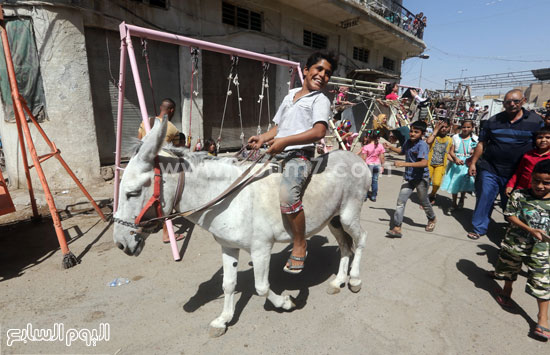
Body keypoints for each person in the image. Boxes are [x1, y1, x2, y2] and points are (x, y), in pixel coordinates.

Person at [248, 51, 336, 274]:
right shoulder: (290, 96)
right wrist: (262, 138)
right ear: (306, 71)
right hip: (278, 152)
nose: (322, 75)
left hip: (299, 156)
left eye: (327, 73)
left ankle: (299, 244)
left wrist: (285, 142)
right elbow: (279, 127)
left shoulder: (320, 100)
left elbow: (319, 131)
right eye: (318, 69)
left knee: (288, 196)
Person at [467, 89, 544, 240]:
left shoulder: (535, 121)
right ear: (504, 104)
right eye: (508, 102)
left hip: (517, 172)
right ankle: (479, 227)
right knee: (484, 197)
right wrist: (474, 163)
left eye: (516, 101)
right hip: (491, 168)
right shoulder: (493, 121)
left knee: (511, 202)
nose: (512, 104)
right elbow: (482, 143)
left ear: (523, 101)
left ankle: (513, 229)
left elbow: (542, 143)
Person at [489, 159, 550, 341]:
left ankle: (543, 318)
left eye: (546, 182)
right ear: (531, 178)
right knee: (509, 270)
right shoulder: (520, 195)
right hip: (515, 243)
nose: (540, 186)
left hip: (542, 250)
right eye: (536, 180)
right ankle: (507, 290)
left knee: (542, 282)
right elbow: (510, 215)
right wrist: (530, 229)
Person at [137, 98, 185, 243]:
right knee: (166, 199)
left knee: (145, 197)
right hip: (162, 168)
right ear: (171, 110)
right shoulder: (172, 129)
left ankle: (141, 223)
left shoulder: (146, 122)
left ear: (160, 107)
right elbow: (177, 151)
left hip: (144, 166)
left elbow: (139, 141)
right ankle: (166, 234)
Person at [383, 120, 437, 238]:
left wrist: (404, 165)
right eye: (411, 131)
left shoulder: (422, 145)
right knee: (400, 202)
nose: (412, 134)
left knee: (424, 201)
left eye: (416, 132)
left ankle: (432, 218)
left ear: (422, 134)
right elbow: (403, 151)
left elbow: (424, 163)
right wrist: (391, 147)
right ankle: (397, 227)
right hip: (408, 177)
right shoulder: (408, 142)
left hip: (421, 178)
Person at [441, 119, 478, 211]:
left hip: (467, 163)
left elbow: (477, 152)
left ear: (472, 128)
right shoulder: (456, 137)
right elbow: (451, 151)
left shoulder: (475, 138)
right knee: (454, 183)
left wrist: (473, 156)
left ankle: (462, 198)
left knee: (464, 182)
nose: (466, 129)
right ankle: (454, 203)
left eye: (468, 127)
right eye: (464, 127)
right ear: (461, 127)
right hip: (456, 163)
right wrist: (455, 159)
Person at [506, 128, 550, 195]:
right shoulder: (528, 155)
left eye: (548, 137)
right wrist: (510, 185)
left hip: (542, 192)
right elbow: (518, 172)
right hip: (522, 190)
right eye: (540, 137)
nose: (543, 140)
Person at [426, 120, 453, 205]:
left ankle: (433, 194)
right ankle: (425, 199)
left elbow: (447, 153)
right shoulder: (433, 137)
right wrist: (435, 131)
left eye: (446, 127)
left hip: (440, 165)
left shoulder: (449, 140)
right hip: (429, 163)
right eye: (441, 127)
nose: (443, 129)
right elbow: (428, 142)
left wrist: (455, 160)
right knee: (426, 181)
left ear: (449, 128)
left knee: (437, 183)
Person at [359, 130, 385, 202]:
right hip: (377, 165)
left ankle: (365, 196)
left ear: (369, 137)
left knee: (366, 181)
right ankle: (373, 196)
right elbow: (382, 157)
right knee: (375, 181)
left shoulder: (366, 147)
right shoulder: (380, 146)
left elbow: (364, 158)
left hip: (368, 165)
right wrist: (382, 166)